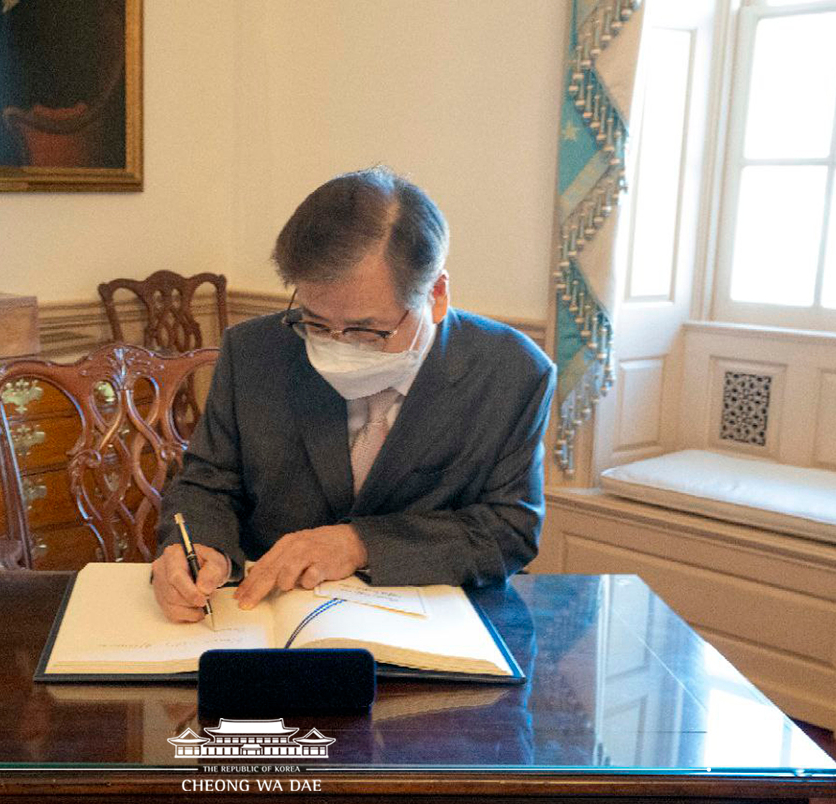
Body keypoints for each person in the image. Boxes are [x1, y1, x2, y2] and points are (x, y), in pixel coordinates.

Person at [152, 167, 556, 623]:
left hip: (433, 634)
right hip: (264, 623)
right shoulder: (255, 353)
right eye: (316, 323)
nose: (337, 348)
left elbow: (509, 530)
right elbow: (207, 485)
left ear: (437, 295)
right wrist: (200, 549)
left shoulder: (511, 372)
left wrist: (359, 543)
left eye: (367, 331)